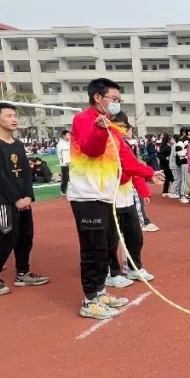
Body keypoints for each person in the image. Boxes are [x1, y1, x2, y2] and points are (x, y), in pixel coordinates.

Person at [67, 78, 133, 320]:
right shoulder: (84, 120)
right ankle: (90, 299)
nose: (116, 104)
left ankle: (100, 291)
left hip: (105, 195)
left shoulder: (111, 127)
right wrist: (98, 128)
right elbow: (91, 149)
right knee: (93, 248)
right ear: (98, 97)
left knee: (106, 246)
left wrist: (148, 173)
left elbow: (124, 157)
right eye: (113, 99)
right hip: (87, 195)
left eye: (118, 100)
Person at [0, 102, 50, 296]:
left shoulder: (17, 144)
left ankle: (23, 272)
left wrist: (28, 195)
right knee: (8, 237)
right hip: (3, 200)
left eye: (14, 116)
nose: (14, 119)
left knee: (26, 236)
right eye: (8, 115)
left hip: (22, 199)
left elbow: (26, 172)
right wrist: (15, 198)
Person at [104, 110, 160, 286]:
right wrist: (149, 173)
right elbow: (127, 167)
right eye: (118, 126)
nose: (121, 130)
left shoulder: (125, 145)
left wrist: (144, 191)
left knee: (134, 235)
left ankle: (133, 267)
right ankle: (111, 273)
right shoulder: (107, 143)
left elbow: (133, 168)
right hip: (110, 194)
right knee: (112, 237)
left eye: (123, 127)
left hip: (127, 195)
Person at [57, 130, 71, 195]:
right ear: (64, 136)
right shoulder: (60, 144)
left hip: (72, 163)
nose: (69, 136)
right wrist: (66, 162)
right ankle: (63, 190)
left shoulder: (71, 143)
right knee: (65, 178)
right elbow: (61, 154)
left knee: (73, 178)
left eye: (70, 135)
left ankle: (72, 190)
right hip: (64, 163)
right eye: (68, 135)